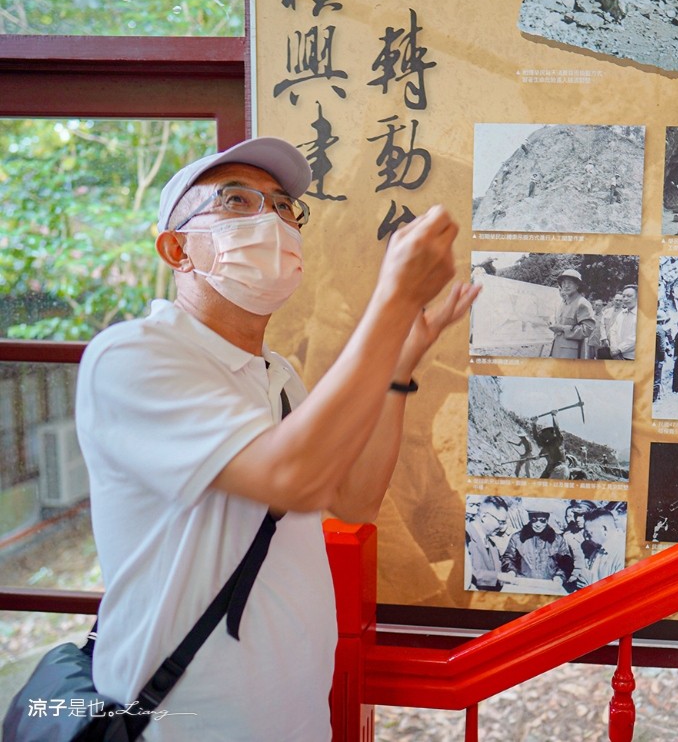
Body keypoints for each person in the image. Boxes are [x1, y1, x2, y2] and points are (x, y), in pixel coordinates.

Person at [74, 137, 478, 740]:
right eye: (236, 200)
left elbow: (355, 498)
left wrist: (403, 362)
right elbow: (290, 476)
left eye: (284, 206)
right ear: (176, 248)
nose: (271, 219)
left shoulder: (279, 373)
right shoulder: (132, 355)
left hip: (296, 716)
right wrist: (393, 300)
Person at [500, 510, 574, 586]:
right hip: (522, 584)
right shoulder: (517, 538)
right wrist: (511, 571)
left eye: (542, 521)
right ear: (530, 519)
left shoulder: (558, 540)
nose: (538, 524)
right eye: (534, 520)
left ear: (547, 520)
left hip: (549, 585)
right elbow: (508, 558)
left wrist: (560, 577)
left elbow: (566, 562)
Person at [465, 496, 510, 591]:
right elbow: (466, 574)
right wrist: (497, 576)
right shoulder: (466, 537)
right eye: (500, 522)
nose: (502, 527)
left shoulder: (492, 543)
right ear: (484, 517)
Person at [549, 268, 595, 359]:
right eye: (564, 283)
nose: (566, 286)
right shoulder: (563, 303)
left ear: (577, 285)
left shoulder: (582, 303)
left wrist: (561, 328)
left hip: (571, 353)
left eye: (569, 283)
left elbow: (587, 329)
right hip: (557, 350)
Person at [576, 509, 626, 587]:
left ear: (604, 529)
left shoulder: (623, 553)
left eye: (589, 534)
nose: (586, 538)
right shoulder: (597, 549)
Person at [532, 411, 568, 479]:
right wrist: (534, 423)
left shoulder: (558, 440)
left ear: (550, 432)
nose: (542, 435)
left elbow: (557, 428)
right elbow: (536, 438)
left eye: (543, 432)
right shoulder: (547, 444)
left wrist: (554, 416)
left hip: (560, 468)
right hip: (551, 468)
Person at [609, 285, 637, 360]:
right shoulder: (622, 313)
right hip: (617, 355)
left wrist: (619, 349)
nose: (625, 299)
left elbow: (636, 337)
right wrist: (614, 349)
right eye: (624, 296)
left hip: (632, 357)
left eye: (629, 296)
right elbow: (613, 330)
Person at [598, 292, 623, 359]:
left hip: (617, 343)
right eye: (617, 300)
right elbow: (602, 325)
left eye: (620, 300)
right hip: (605, 342)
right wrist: (604, 338)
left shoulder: (624, 313)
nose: (618, 302)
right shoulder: (607, 311)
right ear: (613, 300)